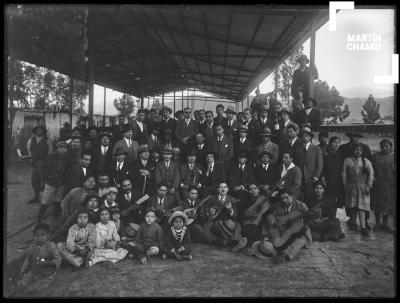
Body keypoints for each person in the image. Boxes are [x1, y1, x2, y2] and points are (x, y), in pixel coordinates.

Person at [264, 188, 312, 264]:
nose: (284, 200)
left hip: (299, 232)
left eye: (287, 198)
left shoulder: (301, 205)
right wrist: (276, 223)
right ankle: (272, 244)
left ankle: (284, 255)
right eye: (282, 198)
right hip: (284, 232)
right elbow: (270, 216)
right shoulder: (279, 205)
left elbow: (309, 219)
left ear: (292, 196)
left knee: (301, 241)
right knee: (269, 226)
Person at [16, 223, 62, 295]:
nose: (39, 238)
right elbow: (27, 260)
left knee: (34, 290)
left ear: (48, 235)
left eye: (43, 235)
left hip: (48, 274)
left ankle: (42, 283)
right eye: (37, 235)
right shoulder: (32, 247)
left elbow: (58, 259)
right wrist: (22, 271)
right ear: (33, 237)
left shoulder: (51, 246)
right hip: (35, 272)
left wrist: (48, 262)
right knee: (21, 285)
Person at [342, 143, 374, 237]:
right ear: (353, 150)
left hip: (362, 186)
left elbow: (371, 174)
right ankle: (353, 222)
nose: (358, 152)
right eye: (356, 150)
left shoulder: (366, 161)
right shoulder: (347, 160)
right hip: (351, 185)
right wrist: (344, 185)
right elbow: (343, 173)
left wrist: (369, 185)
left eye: (360, 150)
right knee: (352, 205)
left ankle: (363, 227)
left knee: (361, 206)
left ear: (362, 152)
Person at [203, 182, 247, 253]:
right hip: (214, 221)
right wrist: (209, 211)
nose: (223, 189)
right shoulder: (212, 198)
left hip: (227, 220)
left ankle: (235, 243)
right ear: (217, 190)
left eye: (225, 187)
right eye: (221, 187)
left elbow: (236, 215)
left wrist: (231, 210)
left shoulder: (232, 199)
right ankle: (219, 242)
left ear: (228, 189)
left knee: (238, 225)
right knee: (205, 227)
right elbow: (206, 209)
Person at [37, 141, 69, 224]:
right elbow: (45, 169)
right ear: (56, 149)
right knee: (45, 201)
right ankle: (39, 219)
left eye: (65, 147)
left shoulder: (67, 158)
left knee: (58, 200)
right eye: (61, 147)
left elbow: (67, 170)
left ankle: (56, 217)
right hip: (51, 182)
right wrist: (49, 177)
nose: (63, 149)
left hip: (61, 183)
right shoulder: (51, 157)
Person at [294, 127, 323, 204]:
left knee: (309, 196)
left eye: (307, 136)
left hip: (311, 178)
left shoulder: (316, 149)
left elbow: (320, 164)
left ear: (310, 137)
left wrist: (316, 176)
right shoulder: (298, 149)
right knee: (300, 197)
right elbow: (296, 164)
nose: (305, 138)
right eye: (303, 136)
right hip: (300, 177)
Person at [371, 139, 395, 233]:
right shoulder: (375, 156)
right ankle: (377, 223)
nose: (384, 148)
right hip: (378, 184)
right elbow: (370, 169)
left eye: (386, 146)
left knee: (387, 205)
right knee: (377, 204)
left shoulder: (393, 157)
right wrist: (373, 179)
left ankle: (385, 223)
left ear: (390, 147)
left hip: (390, 184)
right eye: (382, 146)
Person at [241, 183, 271, 255]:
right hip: (249, 221)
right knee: (248, 227)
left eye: (255, 188)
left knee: (262, 227)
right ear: (248, 191)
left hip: (260, 221)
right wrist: (251, 215)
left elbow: (267, 212)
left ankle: (259, 247)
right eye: (251, 189)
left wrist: (261, 211)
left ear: (259, 190)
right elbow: (242, 215)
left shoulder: (263, 198)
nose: (253, 191)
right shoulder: (246, 201)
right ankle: (249, 246)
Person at [26, 124, 53, 204]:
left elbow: (50, 153)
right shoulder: (31, 140)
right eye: (37, 130)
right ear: (34, 131)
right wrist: (32, 159)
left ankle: (46, 199)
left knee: (44, 181)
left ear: (43, 131)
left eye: (41, 130)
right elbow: (30, 152)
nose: (39, 131)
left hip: (44, 163)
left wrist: (47, 163)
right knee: (34, 180)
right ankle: (36, 197)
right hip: (35, 163)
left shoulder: (48, 140)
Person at [321, 137, 344, 209]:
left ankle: (333, 217)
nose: (336, 144)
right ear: (330, 143)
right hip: (328, 180)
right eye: (334, 142)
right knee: (329, 198)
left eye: (338, 143)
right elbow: (322, 167)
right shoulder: (324, 154)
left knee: (337, 201)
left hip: (338, 180)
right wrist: (323, 178)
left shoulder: (340, 155)